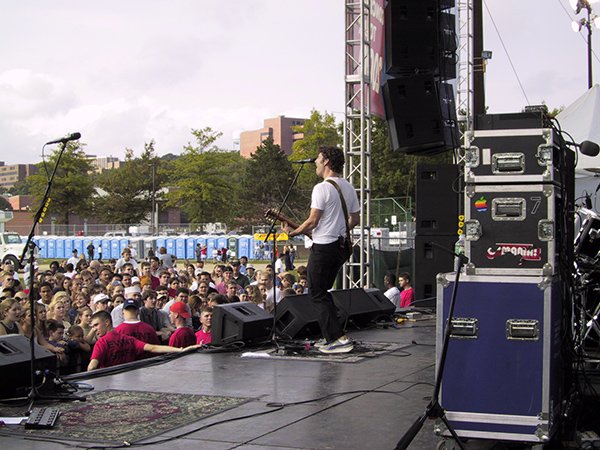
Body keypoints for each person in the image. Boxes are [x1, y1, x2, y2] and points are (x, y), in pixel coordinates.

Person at [281, 145, 360, 354]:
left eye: (318, 158)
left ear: (326, 161)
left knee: (316, 292)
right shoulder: (349, 187)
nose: (315, 161)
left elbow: (313, 221)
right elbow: (355, 219)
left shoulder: (321, 188)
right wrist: (339, 229)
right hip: (340, 247)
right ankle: (334, 334)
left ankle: (337, 338)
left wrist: (293, 232)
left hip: (324, 247)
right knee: (322, 292)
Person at [87, 310, 197, 370]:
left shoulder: (101, 342)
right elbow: (153, 348)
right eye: (93, 327)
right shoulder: (129, 339)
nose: (95, 329)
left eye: (96, 325)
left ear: (107, 322)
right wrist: (180, 350)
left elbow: (91, 367)